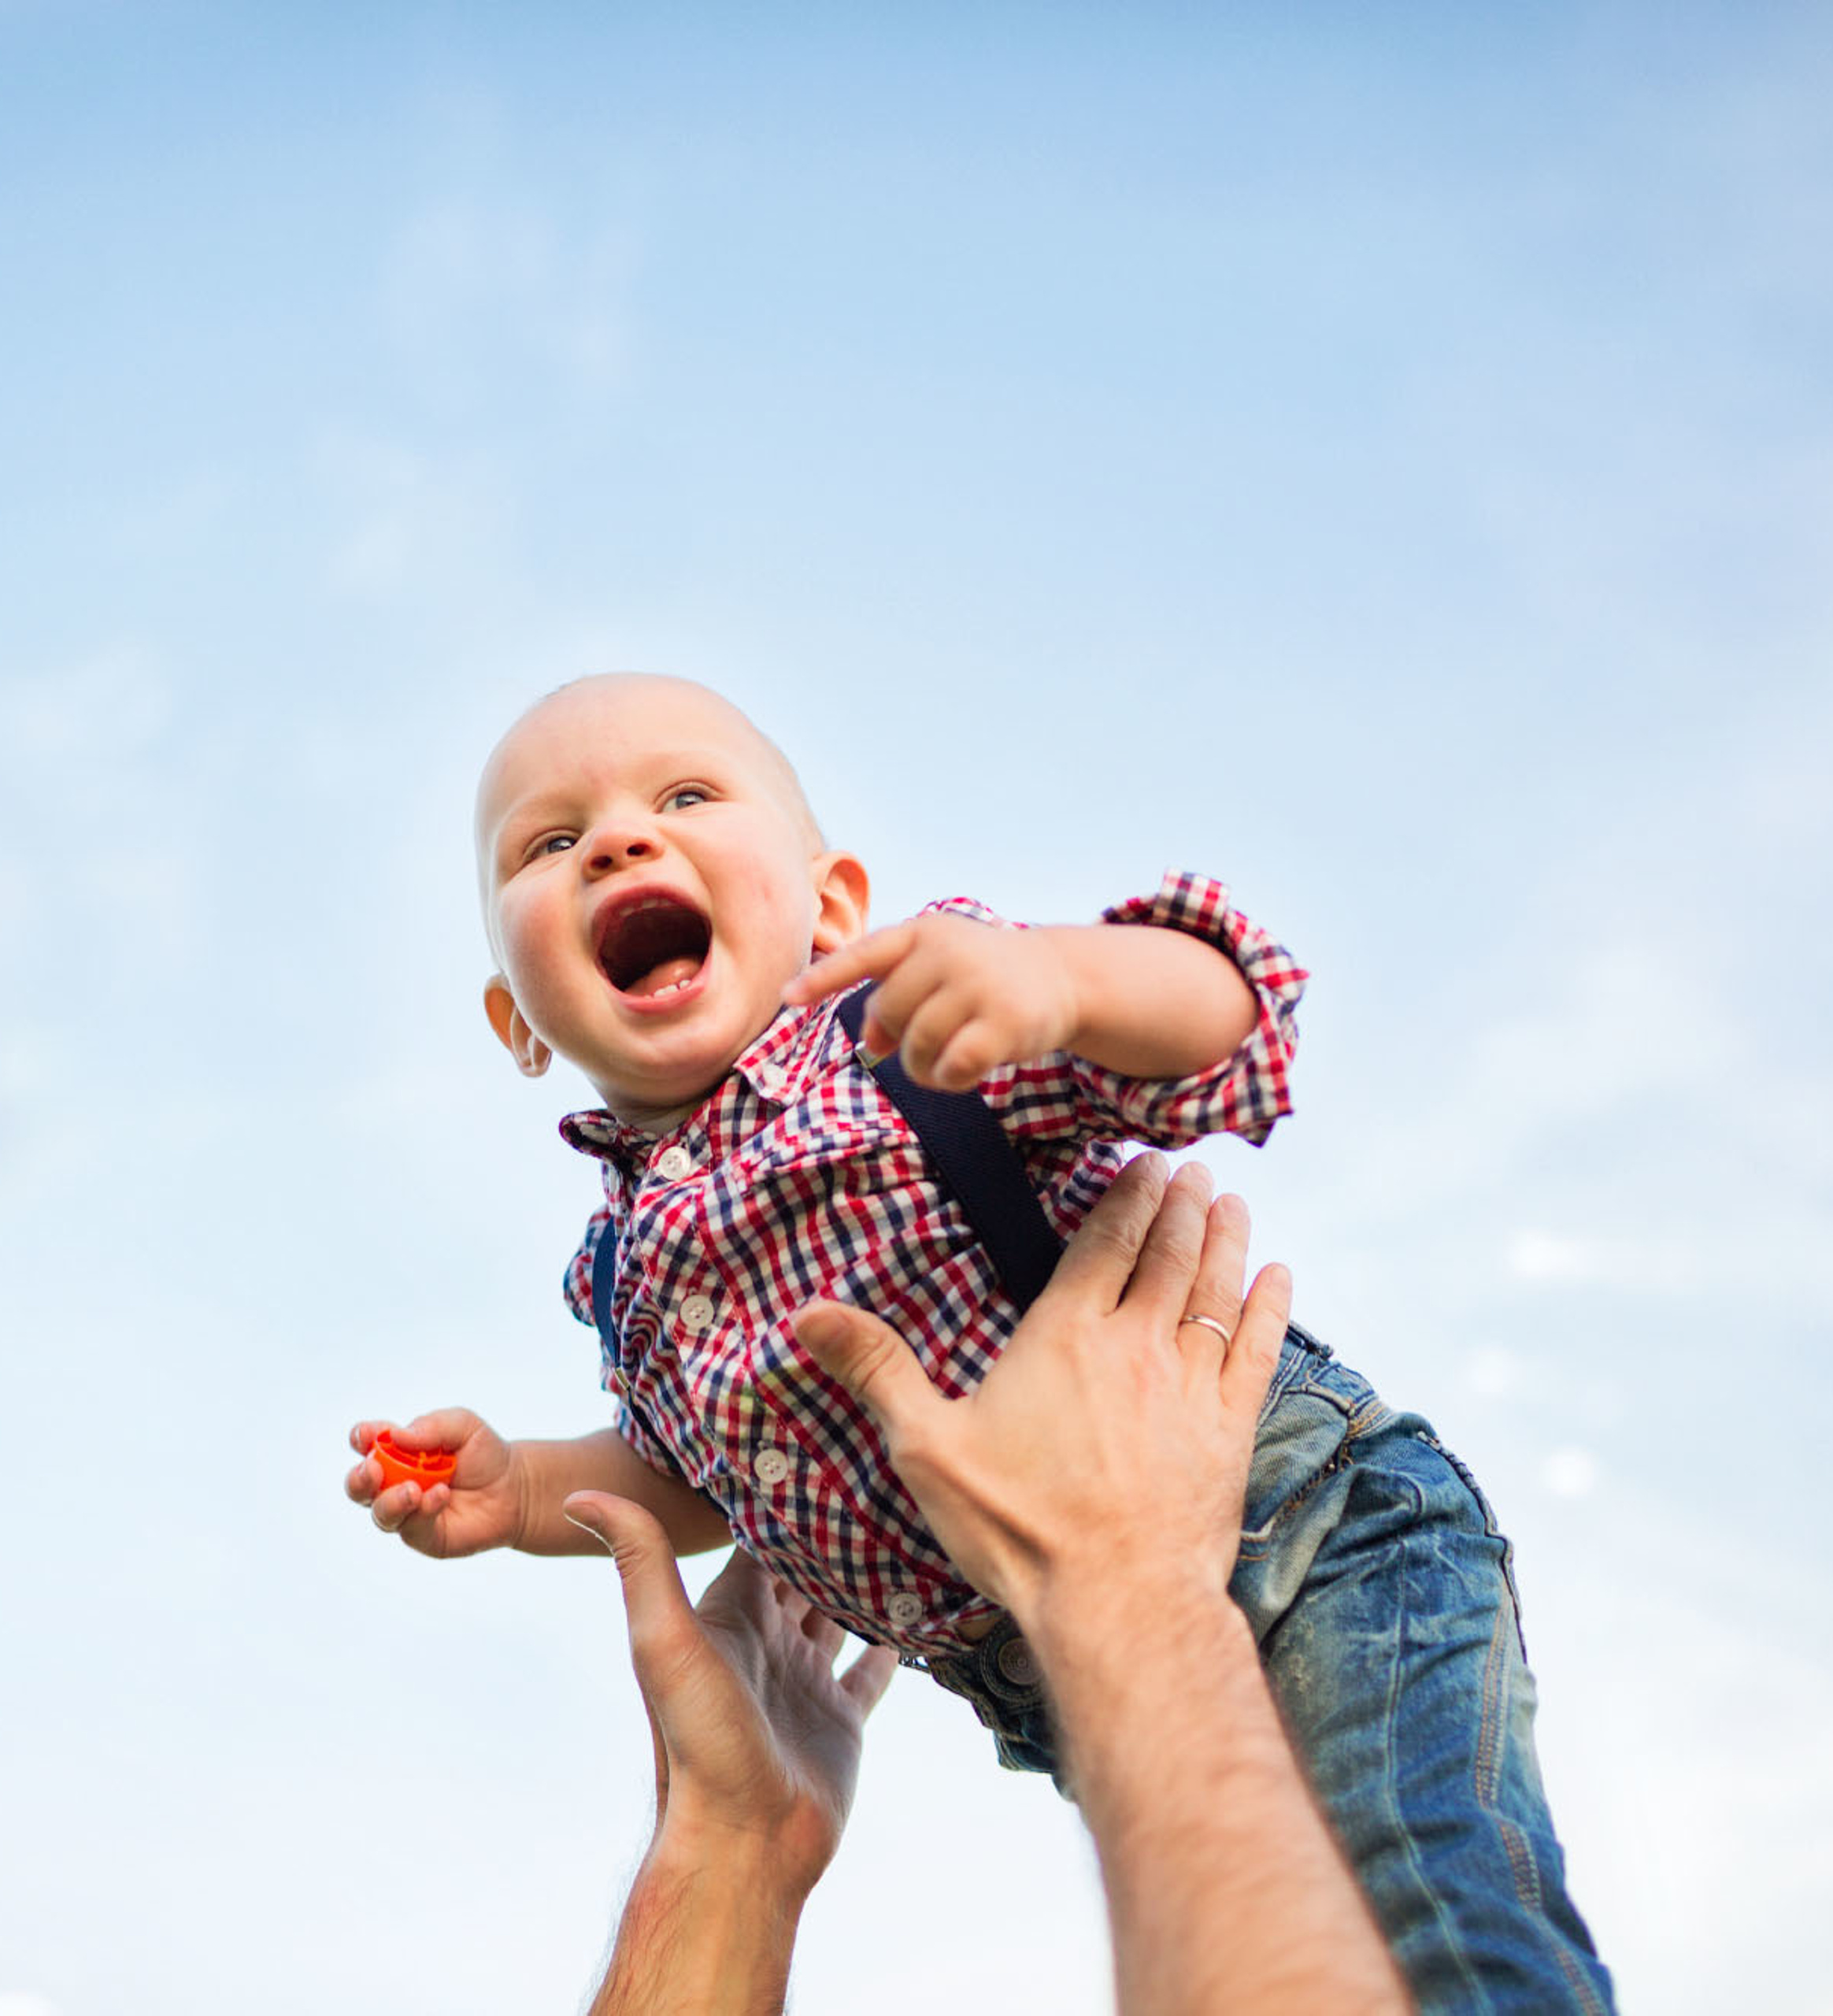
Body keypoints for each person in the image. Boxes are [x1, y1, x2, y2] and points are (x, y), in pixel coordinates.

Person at [346, 673, 1613, 2006]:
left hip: (1291, 1523)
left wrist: (1067, 982)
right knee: (1249, 1910)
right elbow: (702, 1473)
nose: (617, 838)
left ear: (831, 905)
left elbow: (1234, 1021)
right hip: (1057, 1655)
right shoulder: (625, 1277)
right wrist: (529, 1486)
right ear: (515, 1024)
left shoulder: (905, 1031)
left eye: (686, 797)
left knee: (1419, 1912)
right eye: (549, 843)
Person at [578, 1158, 1410, 2014]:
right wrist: (1127, 1576)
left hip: (1304, 1498)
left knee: (1436, 1932)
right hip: (1097, 1616)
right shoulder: (628, 1272)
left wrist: (729, 1841)